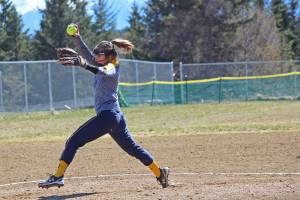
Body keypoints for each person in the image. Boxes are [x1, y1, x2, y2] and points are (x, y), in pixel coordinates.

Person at [38, 25, 170, 189]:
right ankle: (160, 173)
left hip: (108, 116)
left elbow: (103, 71)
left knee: (73, 141)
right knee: (133, 149)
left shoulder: (112, 66)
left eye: (100, 54)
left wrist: (84, 65)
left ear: (109, 55)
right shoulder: (103, 62)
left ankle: (58, 176)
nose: (96, 56)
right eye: (97, 54)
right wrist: (77, 38)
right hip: (117, 117)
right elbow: (87, 55)